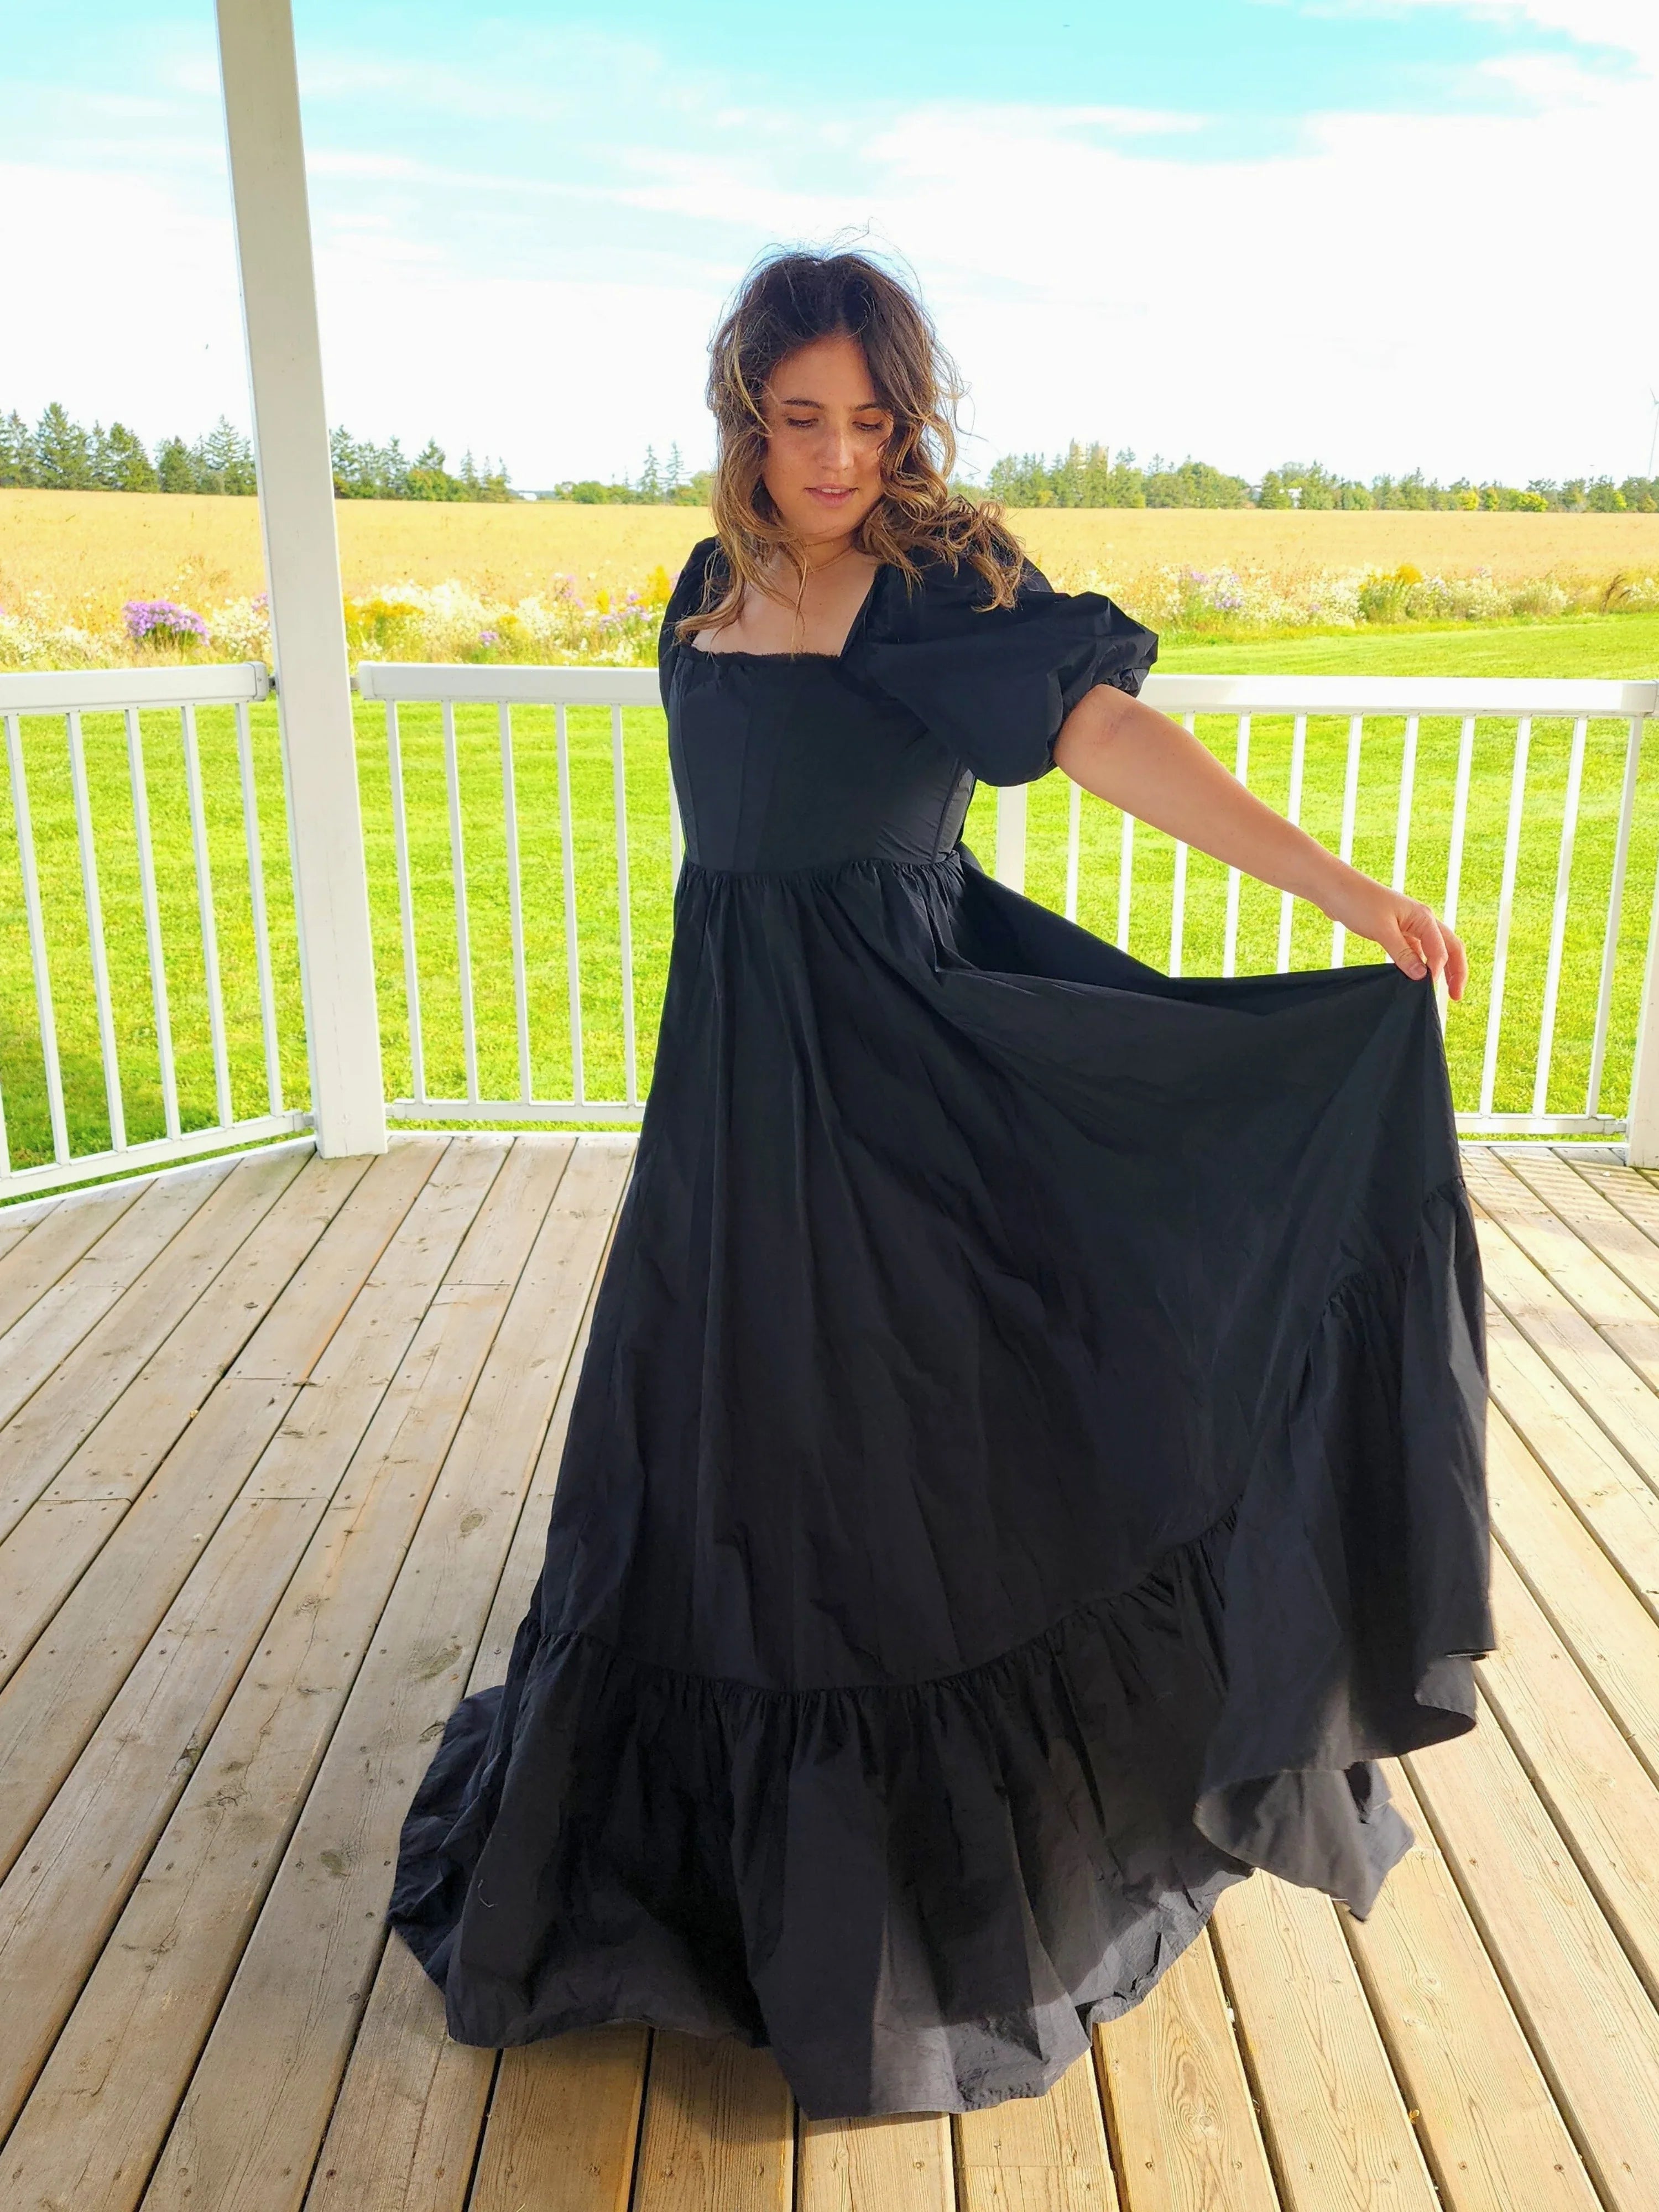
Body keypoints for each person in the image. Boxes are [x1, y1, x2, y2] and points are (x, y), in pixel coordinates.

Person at [388, 246, 1493, 2121]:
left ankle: (913, 1880)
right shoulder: (707, 584)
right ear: (745, 412)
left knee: (899, 1438)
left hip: (901, 1068)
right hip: (734, 1070)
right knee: (717, 1417)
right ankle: (698, 1863)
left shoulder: (936, 584)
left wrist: (1342, 896)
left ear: (910, 415)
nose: (834, 453)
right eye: (798, 417)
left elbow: (1107, 739)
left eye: (869, 417)